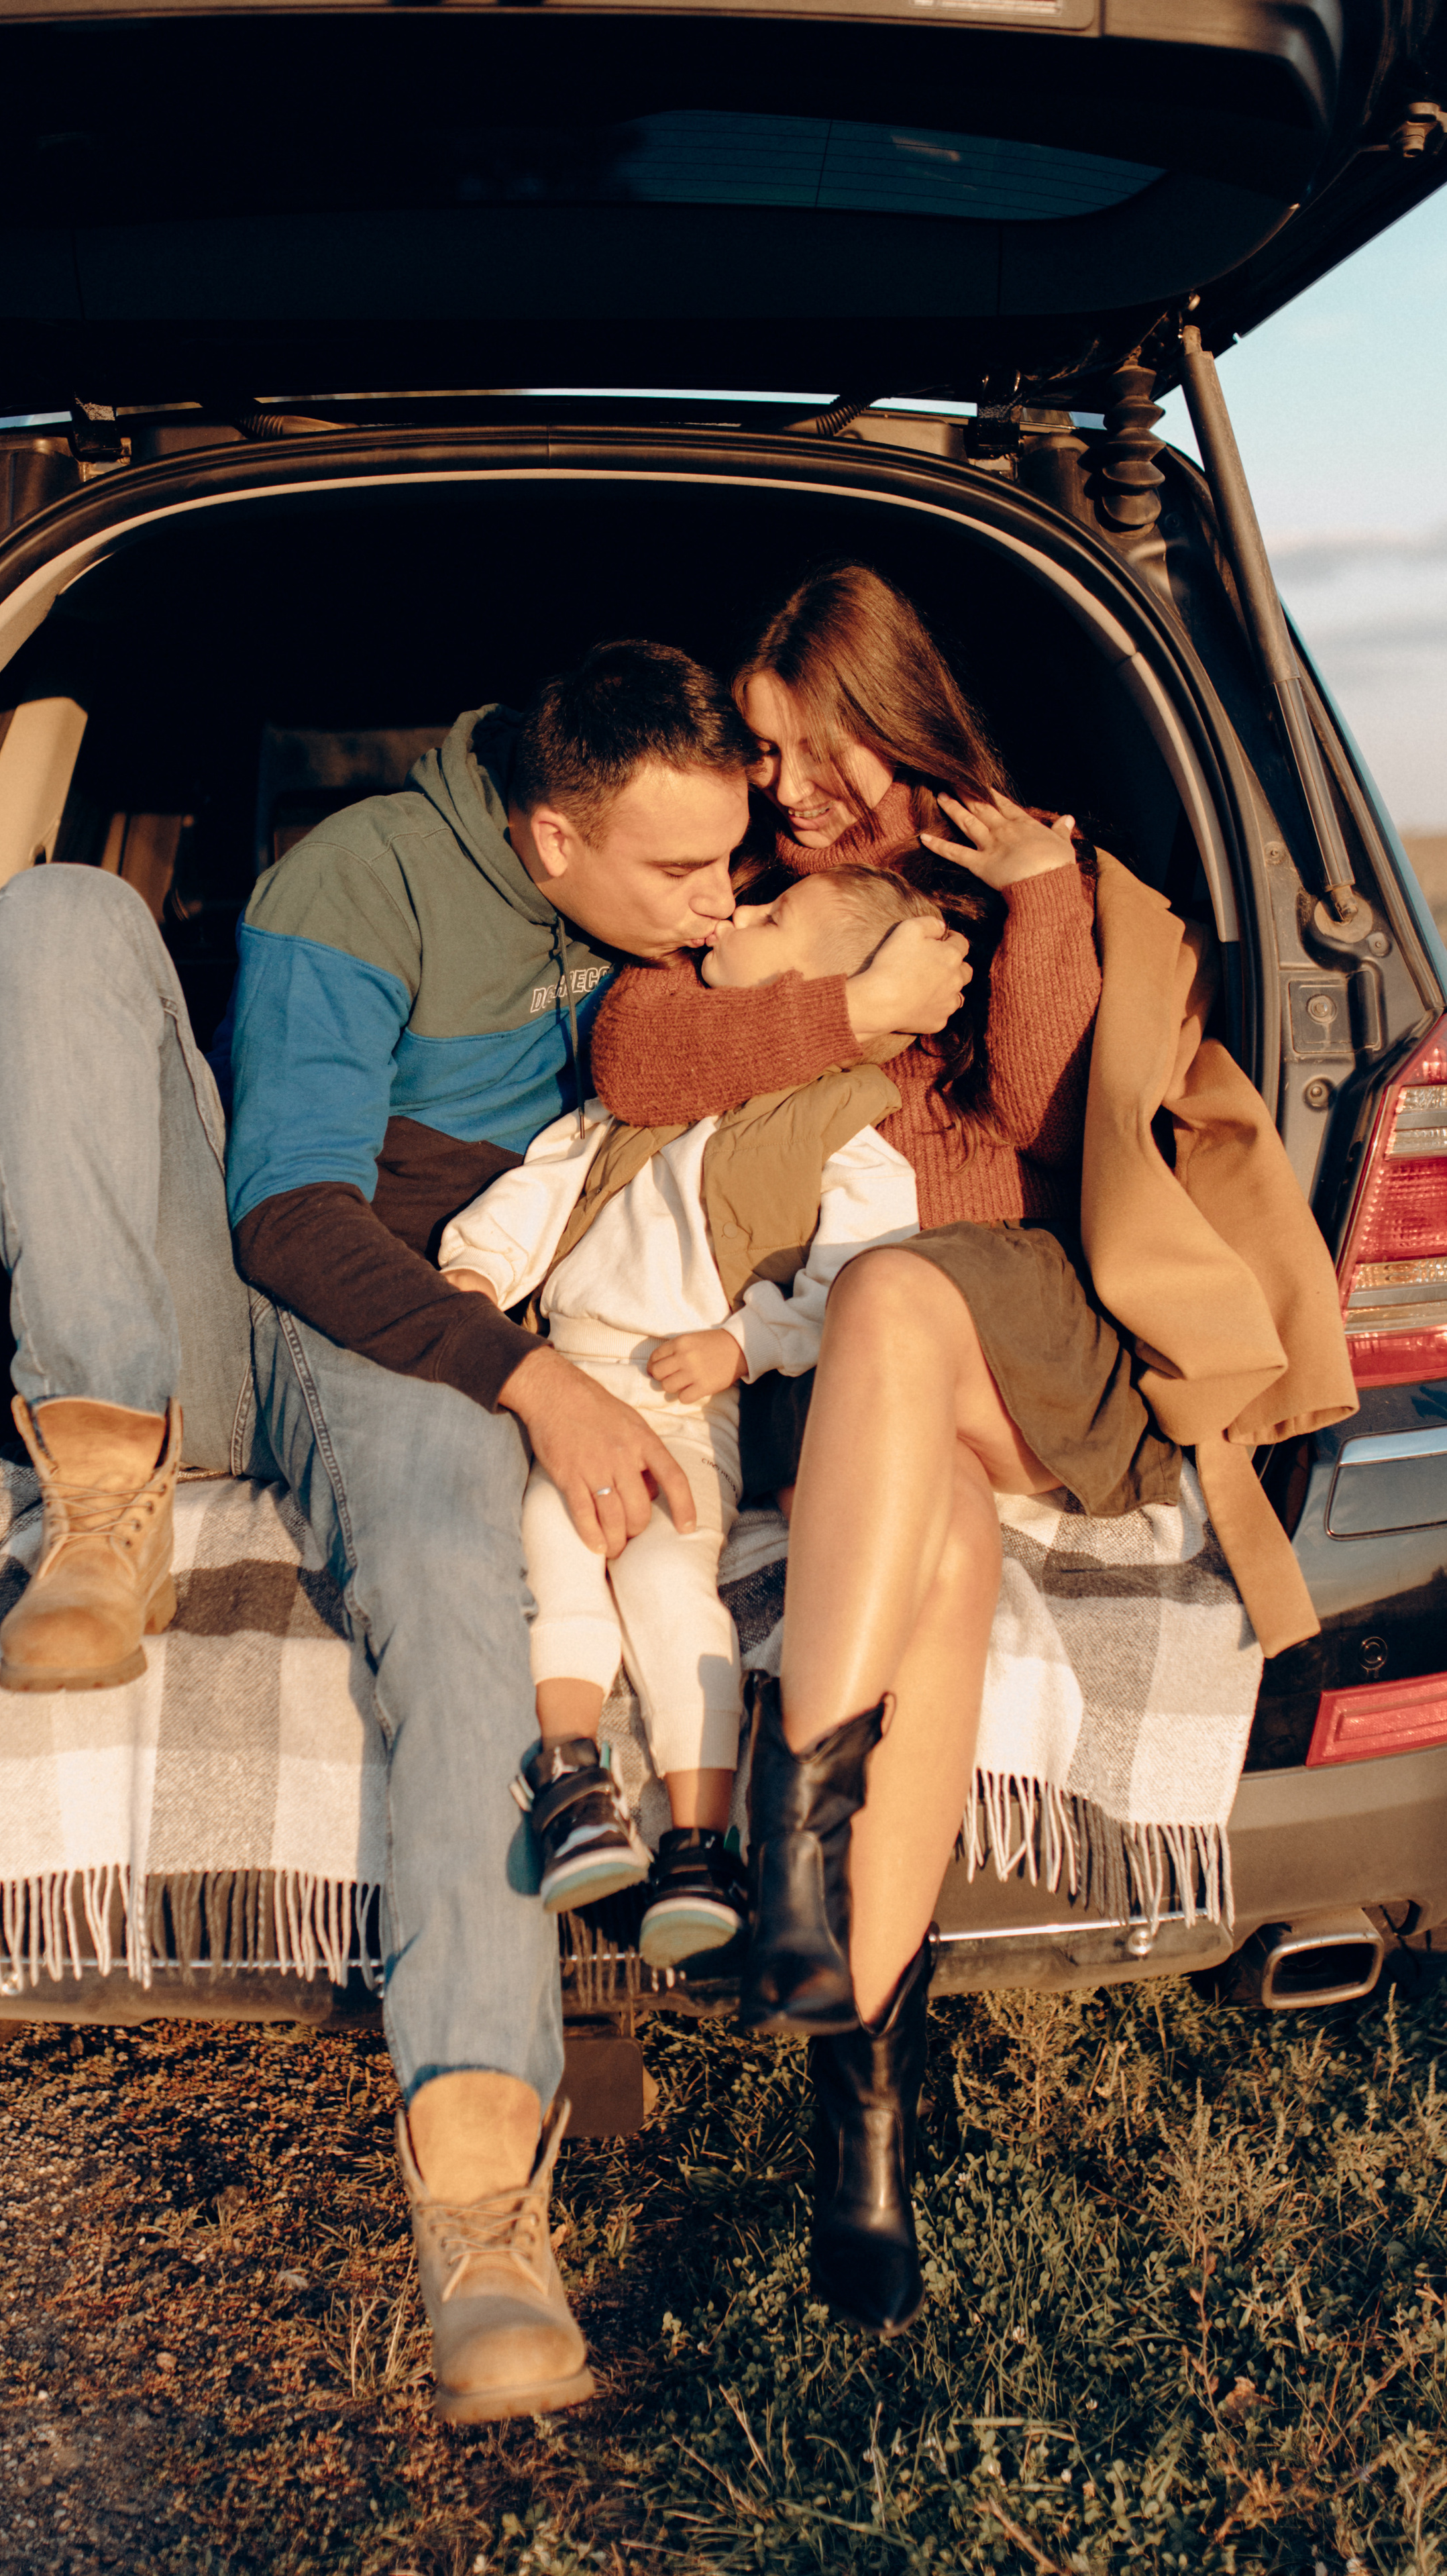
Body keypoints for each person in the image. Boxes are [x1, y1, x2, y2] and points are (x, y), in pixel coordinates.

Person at [0, 635, 974, 2422]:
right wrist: (538, 1384)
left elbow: (744, 1071)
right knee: (52, 911)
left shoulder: (671, 943)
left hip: (429, 1340)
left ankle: (486, 2218)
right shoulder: (356, 876)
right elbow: (285, 1214)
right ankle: (109, 1482)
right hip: (270, 1270)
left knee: (450, 1586)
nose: (719, 890)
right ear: (548, 840)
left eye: (729, 859)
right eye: (677, 870)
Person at [588, 560, 1351, 2345]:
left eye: (801, 752)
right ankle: (861, 2099)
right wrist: (837, 1016)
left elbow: (1030, 1127)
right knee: (921, 1528)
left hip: (1036, 1348)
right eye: (764, 761)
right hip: (876, 1415)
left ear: (887, 711)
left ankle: (796, 1827)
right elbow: (635, 1055)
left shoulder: (1025, 882)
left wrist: (1041, 906)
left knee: (902, 1300)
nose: (780, 794)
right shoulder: (770, 914)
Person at [437, 867, 937, 1967]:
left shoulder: (846, 1126)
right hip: (569, 1370)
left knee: (668, 1580)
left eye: (772, 919)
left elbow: (866, 1278)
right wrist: (476, 1274)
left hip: (684, 1396)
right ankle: (572, 1776)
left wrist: (749, 1341)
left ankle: (698, 1838)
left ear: (822, 985)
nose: (738, 913)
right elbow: (546, 1180)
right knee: (555, 1551)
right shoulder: (647, 1089)